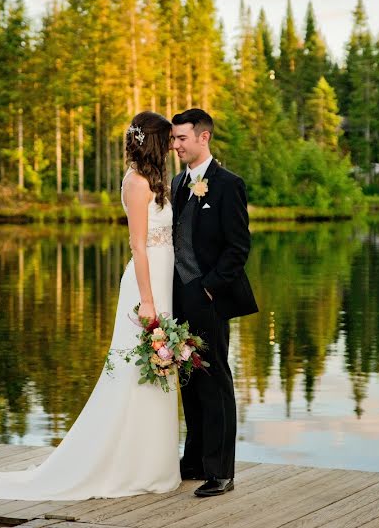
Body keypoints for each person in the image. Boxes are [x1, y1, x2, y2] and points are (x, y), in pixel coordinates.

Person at [0, 111, 180, 501]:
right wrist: (147, 300)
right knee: (136, 368)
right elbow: (138, 245)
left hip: (164, 280)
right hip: (145, 286)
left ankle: (153, 463)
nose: (171, 147)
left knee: (159, 370)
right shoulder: (135, 182)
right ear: (152, 142)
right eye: (166, 141)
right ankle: (125, 464)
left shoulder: (156, 181)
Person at [170, 108, 258, 497]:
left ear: (203, 138)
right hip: (178, 296)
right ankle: (194, 461)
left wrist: (209, 287)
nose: (175, 146)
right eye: (174, 139)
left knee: (215, 378)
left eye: (181, 139)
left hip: (209, 296)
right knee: (187, 377)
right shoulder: (176, 183)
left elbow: (239, 247)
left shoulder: (228, 184)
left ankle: (222, 471)